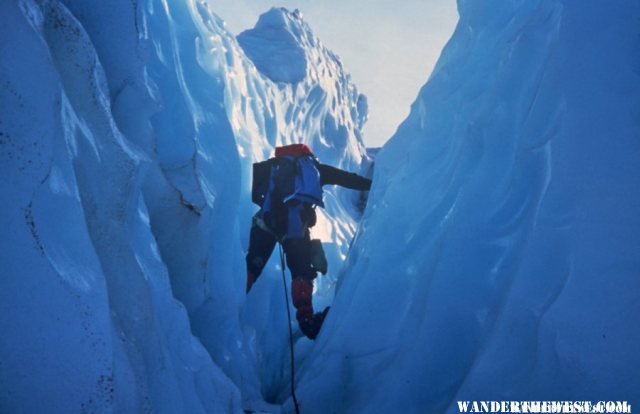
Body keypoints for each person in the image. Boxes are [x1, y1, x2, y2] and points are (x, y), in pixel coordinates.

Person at [246, 143, 372, 339]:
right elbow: (345, 178)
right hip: (295, 228)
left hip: (265, 223)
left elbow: (253, 189)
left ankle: (227, 300)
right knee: (301, 271)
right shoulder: (313, 169)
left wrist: (270, 209)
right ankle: (307, 321)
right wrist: (371, 184)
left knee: (252, 265)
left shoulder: (271, 165)